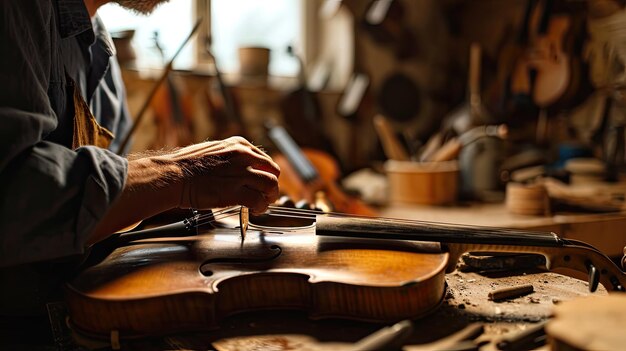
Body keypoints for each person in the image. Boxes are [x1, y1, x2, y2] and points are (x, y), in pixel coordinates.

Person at [0, 0, 280, 346]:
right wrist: (178, 172)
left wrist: (156, 206)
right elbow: (12, 189)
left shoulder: (100, 47)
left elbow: (100, 215)